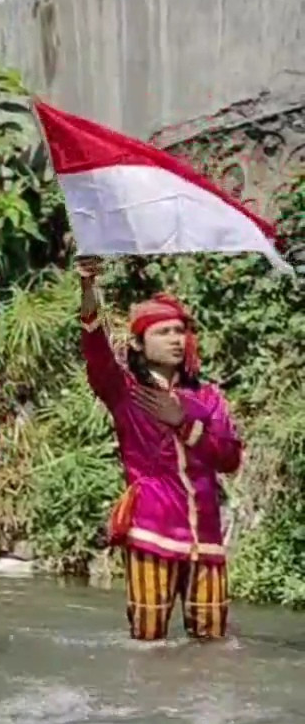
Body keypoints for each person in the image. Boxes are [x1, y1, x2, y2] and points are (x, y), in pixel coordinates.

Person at [78, 261, 242, 642]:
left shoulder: (207, 397)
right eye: (163, 331)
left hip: (207, 536)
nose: (175, 339)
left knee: (212, 644)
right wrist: (88, 287)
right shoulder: (125, 392)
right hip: (152, 529)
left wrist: (186, 424)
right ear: (138, 344)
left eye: (180, 331)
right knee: (148, 642)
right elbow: (95, 348)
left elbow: (231, 459)